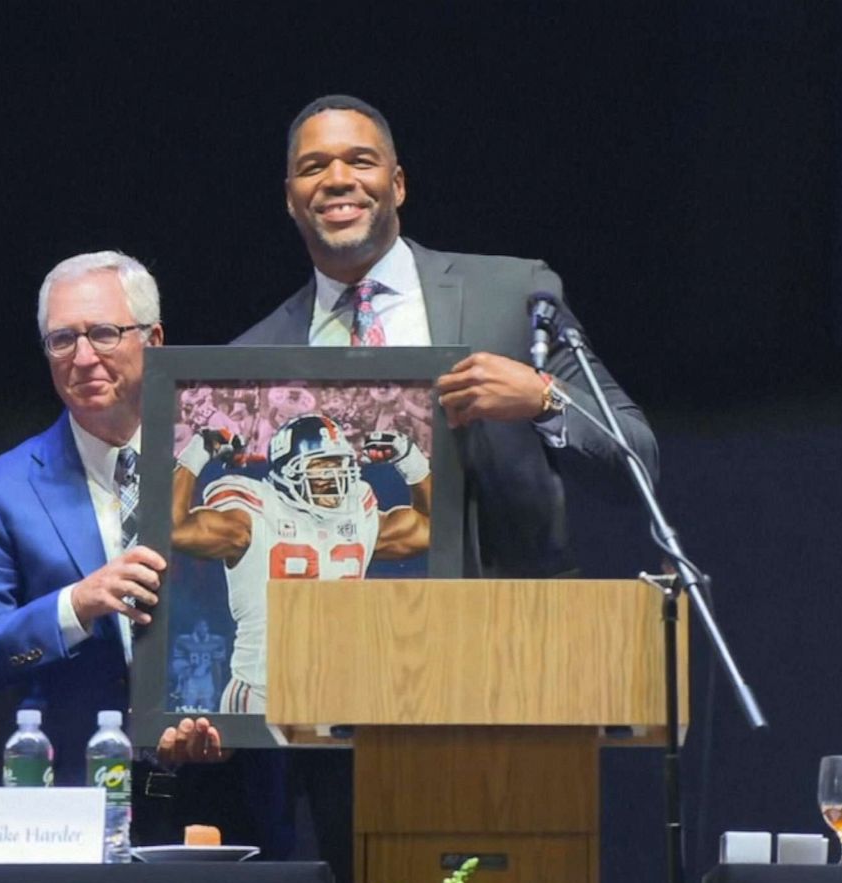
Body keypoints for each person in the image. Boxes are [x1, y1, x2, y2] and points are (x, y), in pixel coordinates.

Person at [234, 93, 659, 578]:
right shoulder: (252, 358)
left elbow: (638, 464)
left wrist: (545, 399)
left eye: (360, 161)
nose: (337, 179)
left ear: (397, 185)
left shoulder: (510, 297)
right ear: (290, 198)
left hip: (507, 633)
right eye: (314, 167)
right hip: (330, 640)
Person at [0, 251, 233, 840]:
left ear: (154, 339)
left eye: (103, 332)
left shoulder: (229, 460)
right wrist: (76, 604)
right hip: (81, 801)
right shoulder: (1, 489)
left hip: (229, 784)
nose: (84, 357)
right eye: (62, 340)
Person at [170, 413, 432, 712]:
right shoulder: (253, 516)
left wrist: (412, 460)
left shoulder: (359, 516)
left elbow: (432, 527)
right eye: (321, 467)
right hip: (261, 692)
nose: (335, 477)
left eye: (339, 464)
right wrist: (197, 452)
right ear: (286, 472)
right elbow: (173, 528)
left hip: (335, 692)